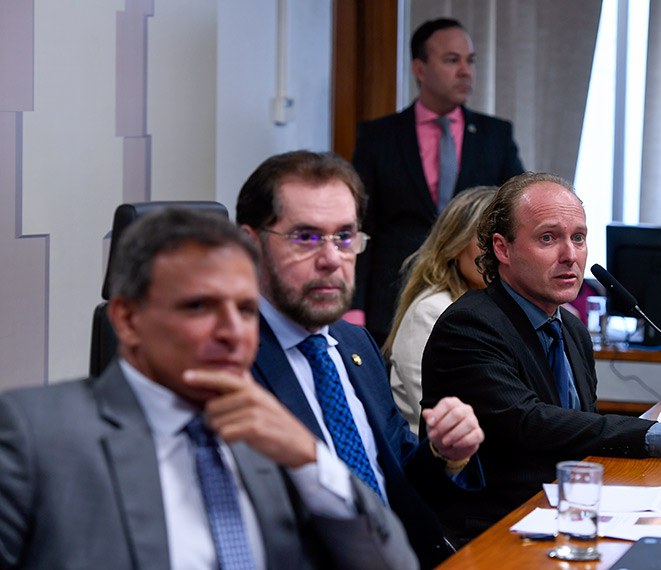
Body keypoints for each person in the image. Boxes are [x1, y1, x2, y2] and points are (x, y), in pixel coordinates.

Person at [0, 208, 417, 570]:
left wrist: (311, 459)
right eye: (199, 306)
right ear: (126, 320)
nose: (233, 333)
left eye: (246, 309)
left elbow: (390, 563)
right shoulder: (34, 438)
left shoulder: (273, 439)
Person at [422, 172, 661, 541]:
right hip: (497, 530)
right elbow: (530, 423)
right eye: (548, 238)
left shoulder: (571, 329)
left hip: (569, 514)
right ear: (503, 249)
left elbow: (581, 431)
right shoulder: (470, 325)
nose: (570, 255)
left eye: (578, 238)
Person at [236, 151, 485, 567]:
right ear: (250, 244)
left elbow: (398, 479)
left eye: (345, 236)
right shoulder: (228, 365)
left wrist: (445, 454)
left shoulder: (355, 344)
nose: (332, 258)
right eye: (305, 237)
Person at [351, 17, 525, 347]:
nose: (465, 71)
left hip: (473, 293)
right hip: (389, 298)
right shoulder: (380, 136)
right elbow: (362, 225)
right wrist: (354, 308)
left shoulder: (495, 136)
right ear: (419, 68)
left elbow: (515, 215)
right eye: (451, 60)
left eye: (470, 61)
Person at [382, 185, 496, 433]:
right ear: (455, 245)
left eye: (506, 239)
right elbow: (444, 418)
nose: (497, 251)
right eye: (486, 240)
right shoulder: (431, 310)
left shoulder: (494, 305)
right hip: (437, 461)